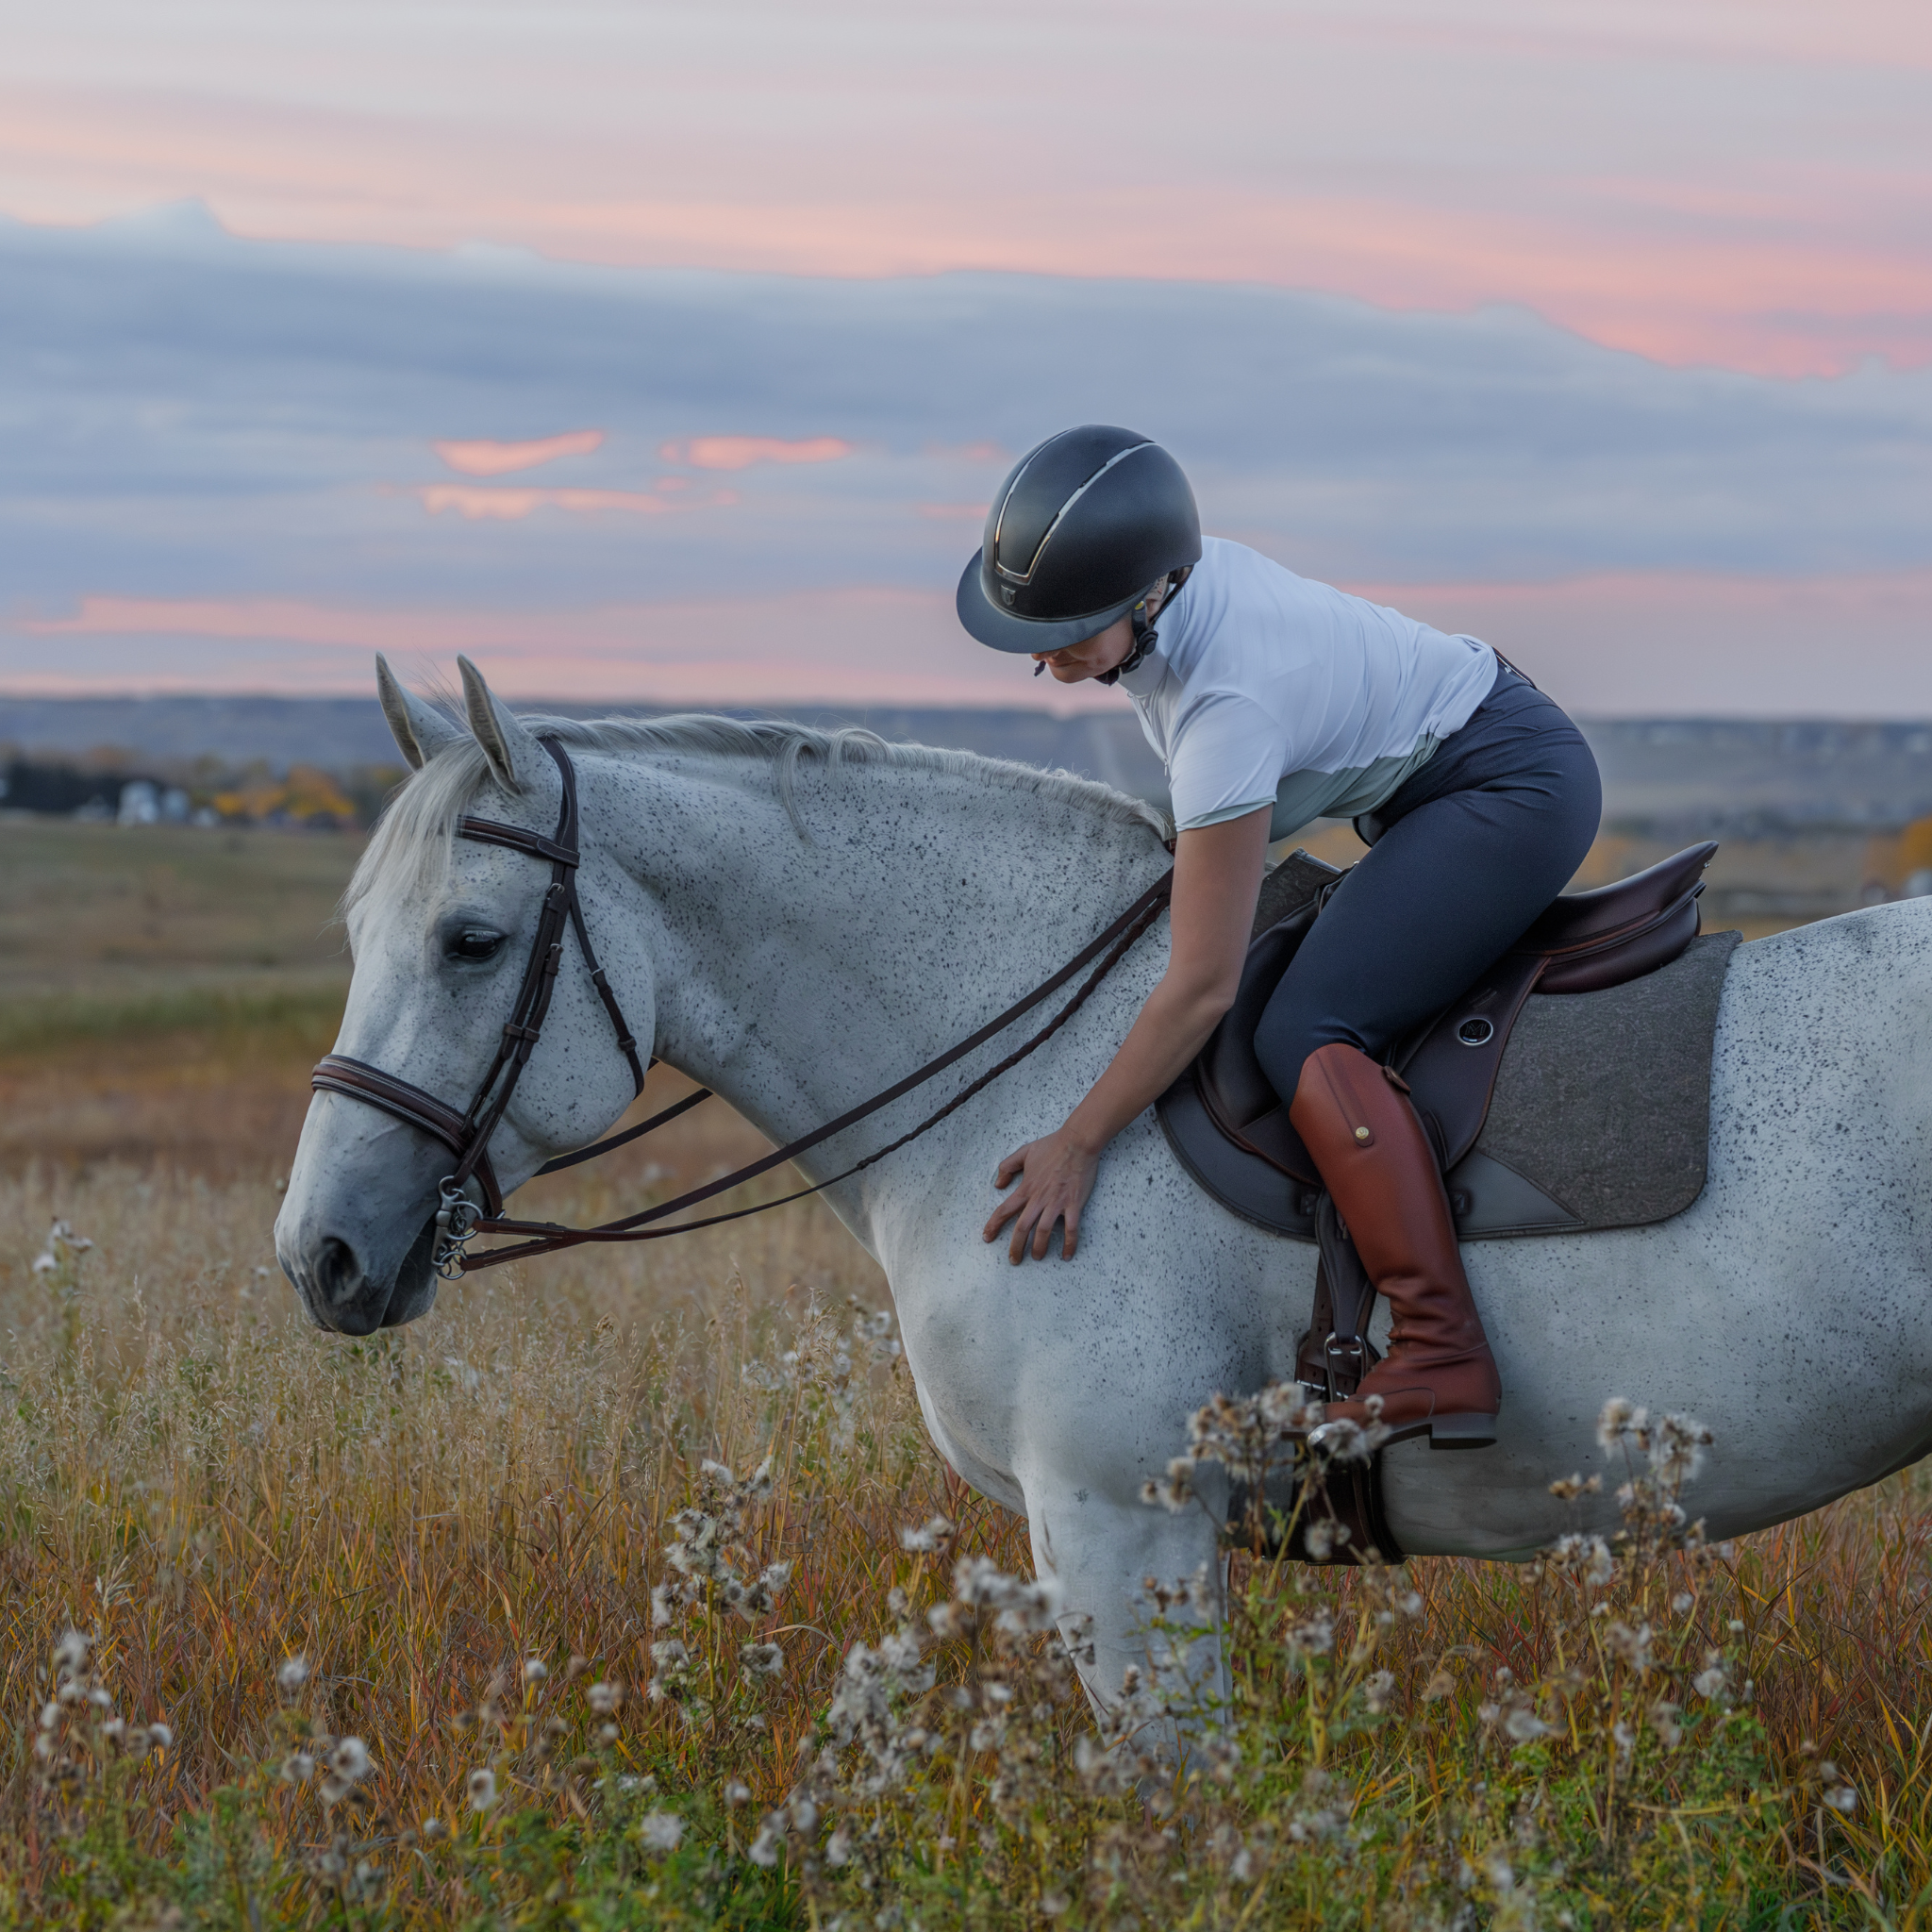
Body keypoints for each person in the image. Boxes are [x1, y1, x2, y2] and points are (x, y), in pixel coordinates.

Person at [956, 425, 1602, 1447]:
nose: (1043, 657)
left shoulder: (1227, 701)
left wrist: (1078, 1141)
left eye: (1068, 631)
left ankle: (1442, 1348)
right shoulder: (1175, 599)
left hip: (1508, 789)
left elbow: (1202, 986)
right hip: (1445, 766)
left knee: (1303, 1025)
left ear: (1152, 593)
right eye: (1032, 631)